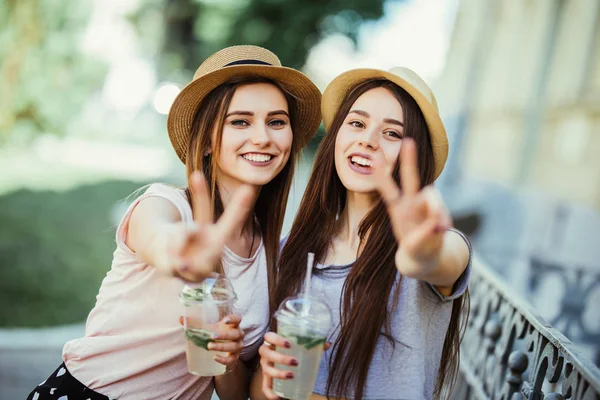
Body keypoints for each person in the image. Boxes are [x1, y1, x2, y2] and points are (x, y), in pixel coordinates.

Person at [27, 45, 321, 400]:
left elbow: (233, 393)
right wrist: (178, 254)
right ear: (208, 140)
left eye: (277, 121)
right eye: (240, 121)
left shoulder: (269, 253)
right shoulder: (165, 205)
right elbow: (159, 237)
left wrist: (226, 357)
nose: (262, 137)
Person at [257, 67, 471, 400]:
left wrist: (420, 254)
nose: (367, 140)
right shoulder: (290, 253)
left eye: (392, 133)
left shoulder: (432, 249)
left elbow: (439, 259)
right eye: (356, 123)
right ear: (336, 138)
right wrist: (268, 380)